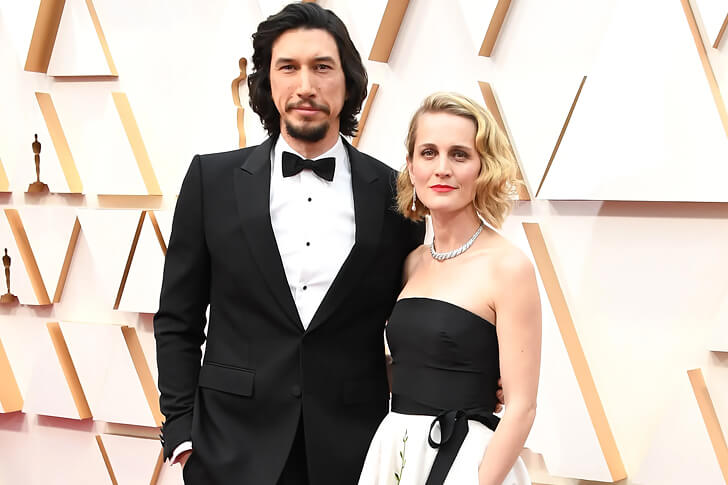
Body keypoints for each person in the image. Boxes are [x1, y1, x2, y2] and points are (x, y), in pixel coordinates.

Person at [153, 3, 425, 485]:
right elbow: (178, 318)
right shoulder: (211, 181)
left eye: (322, 67)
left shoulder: (395, 194)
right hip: (228, 450)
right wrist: (180, 433)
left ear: (348, 81)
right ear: (267, 81)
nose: (305, 86)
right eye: (288, 67)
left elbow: (416, 321)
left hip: (354, 452)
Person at [357, 93, 541, 485]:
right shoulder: (412, 262)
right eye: (428, 153)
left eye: (459, 154)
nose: (442, 168)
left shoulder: (508, 267)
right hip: (396, 449)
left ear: (483, 168)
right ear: (411, 167)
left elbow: (522, 408)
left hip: (469, 461)